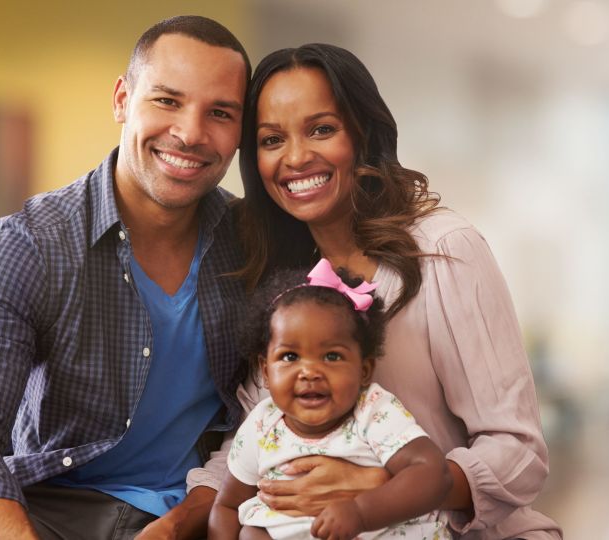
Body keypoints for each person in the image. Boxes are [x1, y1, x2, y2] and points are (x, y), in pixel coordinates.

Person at [225, 43, 562, 539]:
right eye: (272, 139)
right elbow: (251, 441)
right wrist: (179, 520)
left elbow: (519, 453)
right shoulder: (279, 282)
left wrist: (380, 489)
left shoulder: (445, 249)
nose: (296, 157)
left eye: (322, 129)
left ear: (364, 135)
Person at [0, 15, 253, 540]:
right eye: (167, 100)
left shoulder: (254, 246)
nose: (190, 133)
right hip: (49, 510)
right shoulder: (30, 246)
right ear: (122, 99)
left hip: (201, 513)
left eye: (220, 113)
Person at [209, 259, 452, 540]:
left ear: (364, 370)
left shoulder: (372, 411)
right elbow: (226, 505)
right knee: (251, 533)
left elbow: (434, 475)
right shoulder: (261, 424)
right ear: (265, 370)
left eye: (332, 356)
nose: (310, 372)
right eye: (290, 356)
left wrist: (360, 512)